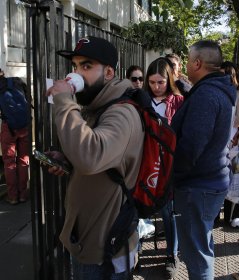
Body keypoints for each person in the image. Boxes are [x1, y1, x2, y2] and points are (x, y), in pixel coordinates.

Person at [46, 36, 145, 280]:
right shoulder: (99, 105)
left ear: (109, 72)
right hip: (90, 238)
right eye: (76, 66)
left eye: (86, 66)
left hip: (105, 248)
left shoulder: (122, 113)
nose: (76, 74)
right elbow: (102, 158)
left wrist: (63, 100)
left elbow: (91, 156)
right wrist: (68, 160)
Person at [171, 40, 236, 280]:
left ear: (197, 63)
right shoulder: (215, 89)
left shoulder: (207, 95)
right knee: (202, 244)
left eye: (188, 61)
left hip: (197, 185)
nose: (186, 65)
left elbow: (191, 146)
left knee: (196, 254)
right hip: (210, 180)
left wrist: (173, 175)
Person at [145, 57, 184, 279]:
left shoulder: (178, 101)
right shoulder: (141, 100)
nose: (156, 87)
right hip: (146, 161)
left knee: (169, 212)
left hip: (168, 163)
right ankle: (135, 249)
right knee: (142, 206)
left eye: (160, 82)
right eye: (151, 82)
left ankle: (172, 254)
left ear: (169, 80)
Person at [220, 61, 239, 228]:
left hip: (236, 143)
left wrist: (235, 137)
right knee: (220, 180)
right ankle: (216, 215)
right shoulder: (215, 92)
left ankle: (234, 215)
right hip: (219, 144)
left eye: (227, 74)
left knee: (237, 180)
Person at [0, 69, 29, 205]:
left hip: (8, 128)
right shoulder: (17, 81)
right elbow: (29, 100)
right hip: (24, 125)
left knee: (9, 162)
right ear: (2, 72)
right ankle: (23, 194)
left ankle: (12, 197)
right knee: (23, 159)